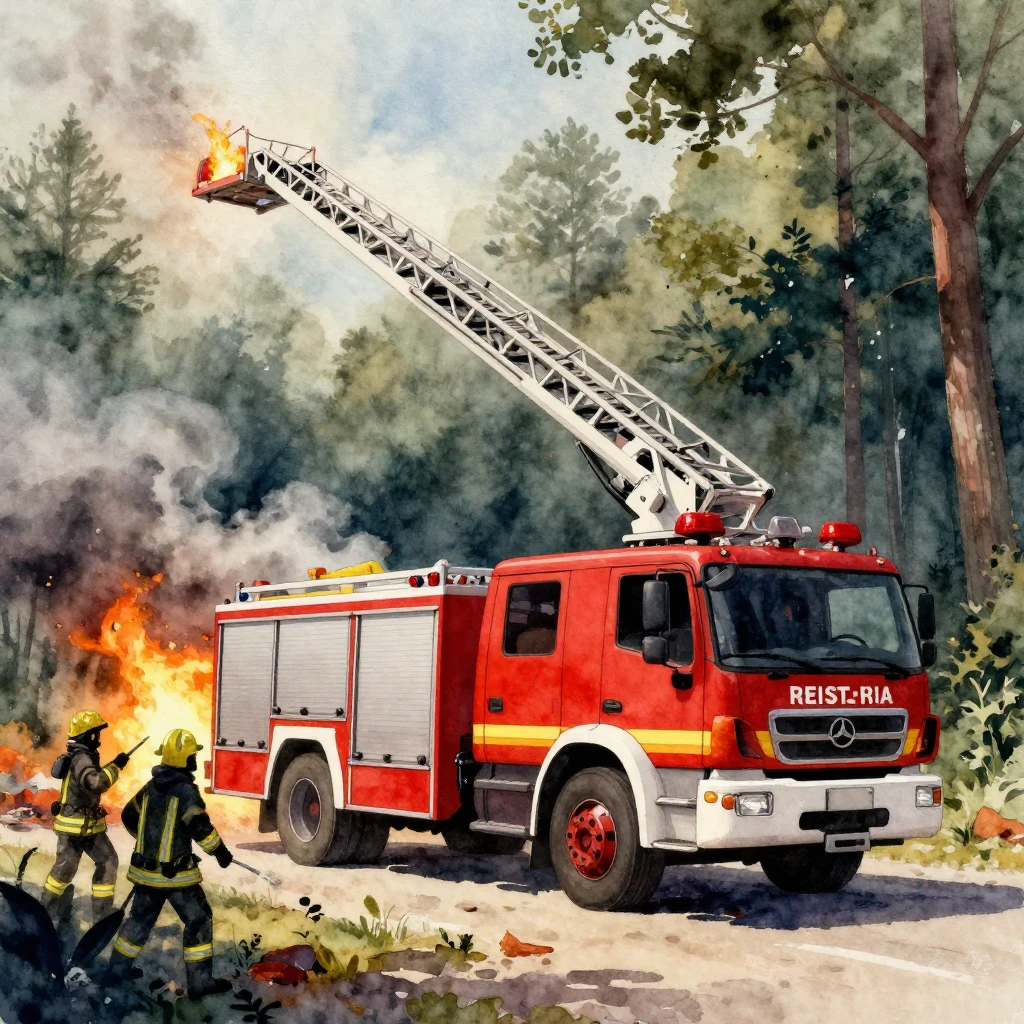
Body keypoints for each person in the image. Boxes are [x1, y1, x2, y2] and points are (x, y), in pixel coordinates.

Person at [108, 728, 233, 1000]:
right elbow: (200, 827)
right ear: (185, 759)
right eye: (193, 755)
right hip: (176, 878)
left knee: (138, 921)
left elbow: (129, 815)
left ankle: (115, 972)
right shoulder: (186, 791)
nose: (195, 760)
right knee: (199, 920)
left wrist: (147, 842)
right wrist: (220, 852)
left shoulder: (150, 787)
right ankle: (200, 984)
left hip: (145, 874)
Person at [42, 710, 130, 924]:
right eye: (96, 733)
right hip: (77, 828)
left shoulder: (79, 756)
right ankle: (48, 914)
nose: (98, 737)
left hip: (82, 826)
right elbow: (95, 783)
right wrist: (116, 767)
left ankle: (48, 912)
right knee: (78, 867)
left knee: (94, 863)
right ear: (88, 735)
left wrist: (112, 765)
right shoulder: (82, 758)